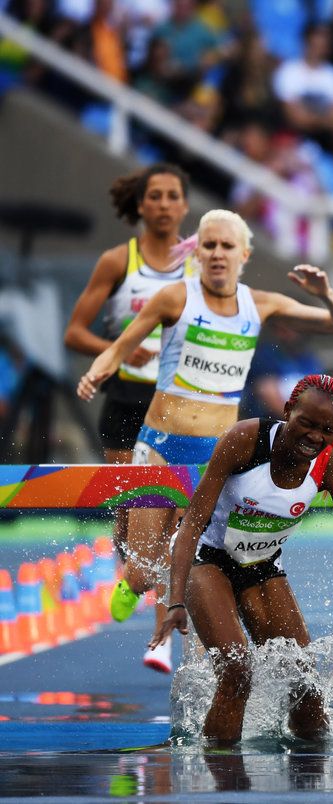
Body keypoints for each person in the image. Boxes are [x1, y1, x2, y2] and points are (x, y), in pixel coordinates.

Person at [77, 209, 333, 675]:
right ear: (198, 252)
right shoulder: (175, 297)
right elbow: (120, 347)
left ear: (244, 254)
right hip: (161, 447)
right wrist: (96, 371)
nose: (218, 253)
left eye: (227, 246)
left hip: (216, 455)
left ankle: (185, 646)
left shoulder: (259, 304)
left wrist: (326, 293)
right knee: (144, 570)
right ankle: (132, 579)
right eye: (209, 245)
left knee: (198, 553)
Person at [149, 374, 333, 744]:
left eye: (327, 429)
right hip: (206, 559)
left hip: (261, 566)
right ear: (288, 411)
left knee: (304, 686)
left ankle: (311, 768)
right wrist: (175, 601)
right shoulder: (245, 439)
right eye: (306, 423)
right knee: (237, 672)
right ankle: (219, 768)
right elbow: (191, 522)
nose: (314, 437)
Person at [63, 163, 193, 639]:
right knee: (130, 520)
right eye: (154, 196)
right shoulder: (119, 261)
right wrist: (119, 349)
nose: (163, 204)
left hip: (179, 404)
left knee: (173, 512)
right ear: (140, 205)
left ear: (185, 205)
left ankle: (163, 628)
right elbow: (75, 333)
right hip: (126, 402)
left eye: (172, 195)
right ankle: (138, 582)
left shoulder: (201, 262)